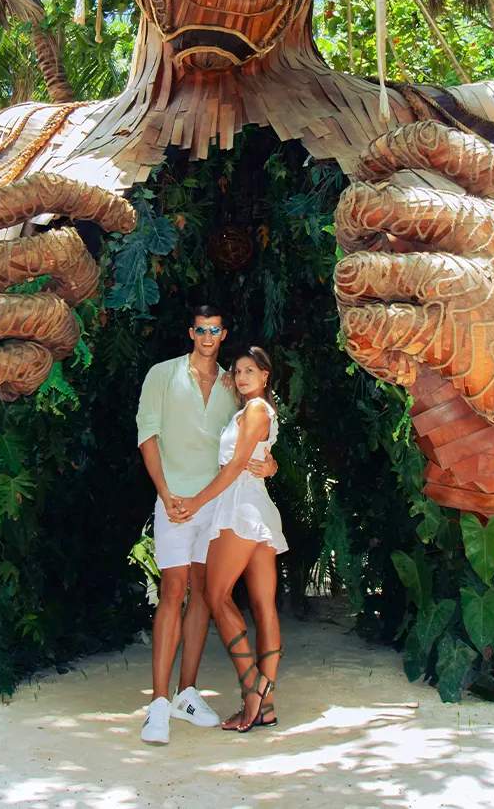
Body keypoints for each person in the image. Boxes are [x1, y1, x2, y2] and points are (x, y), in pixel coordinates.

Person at [135, 305, 276, 744]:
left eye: (215, 330)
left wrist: (269, 466)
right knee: (173, 590)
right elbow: (147, 434)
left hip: (217, 505)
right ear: (191, 332)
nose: (207, 336)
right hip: (175, 498)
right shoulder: (162, 374)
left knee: (204, 595)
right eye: (201, 329)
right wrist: (164, 494)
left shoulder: (233, 386)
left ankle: (187, 692)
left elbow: (248, 445)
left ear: (223, 332)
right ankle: (158, 704)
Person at [172, 347, 286, 734]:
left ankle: (253, 688)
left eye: (250, 371)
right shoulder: (255, 410)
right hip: (256, 505)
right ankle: (265, 705)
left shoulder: (255, 411)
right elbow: (254, 458)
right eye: (237, 371)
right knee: (262, 604)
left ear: (266, 375)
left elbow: (236, 465)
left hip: (240, 508)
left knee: (216, 596)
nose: (241, 377)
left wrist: (195, 502)